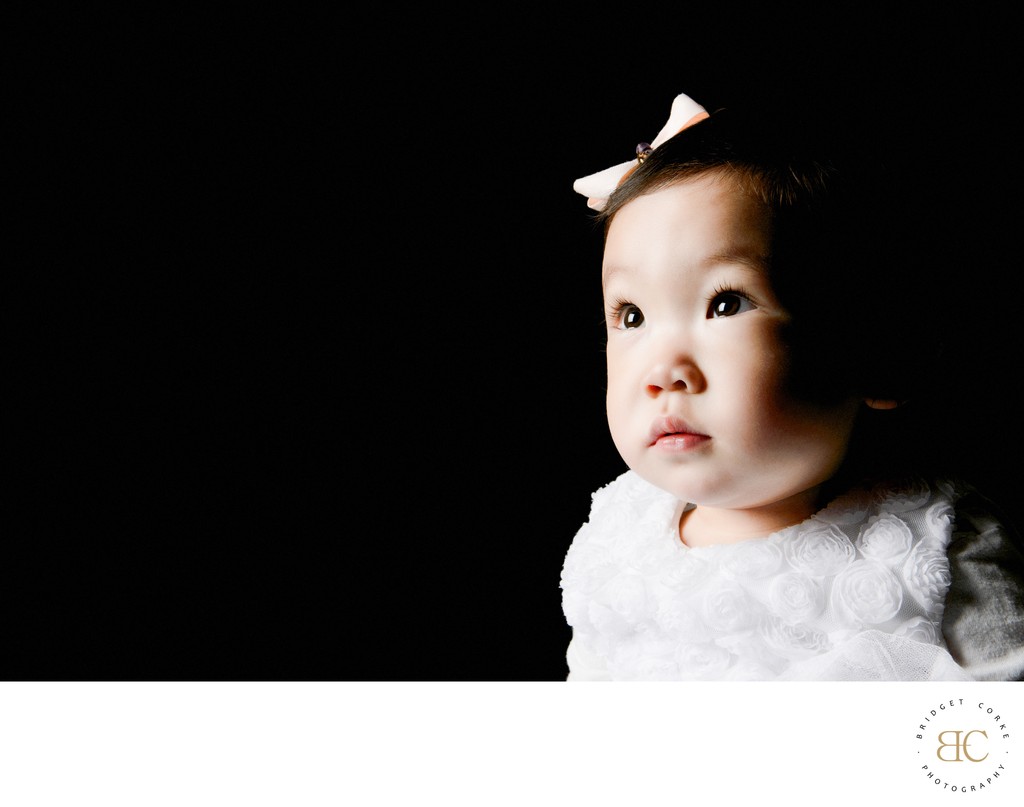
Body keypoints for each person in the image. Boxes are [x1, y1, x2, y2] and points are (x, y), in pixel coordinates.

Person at [560, 90, 1024, 681]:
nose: (663, 370)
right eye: (631, 316)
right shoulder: (617, 539)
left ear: (876, 354)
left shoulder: (932, 546)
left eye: (725, 303)